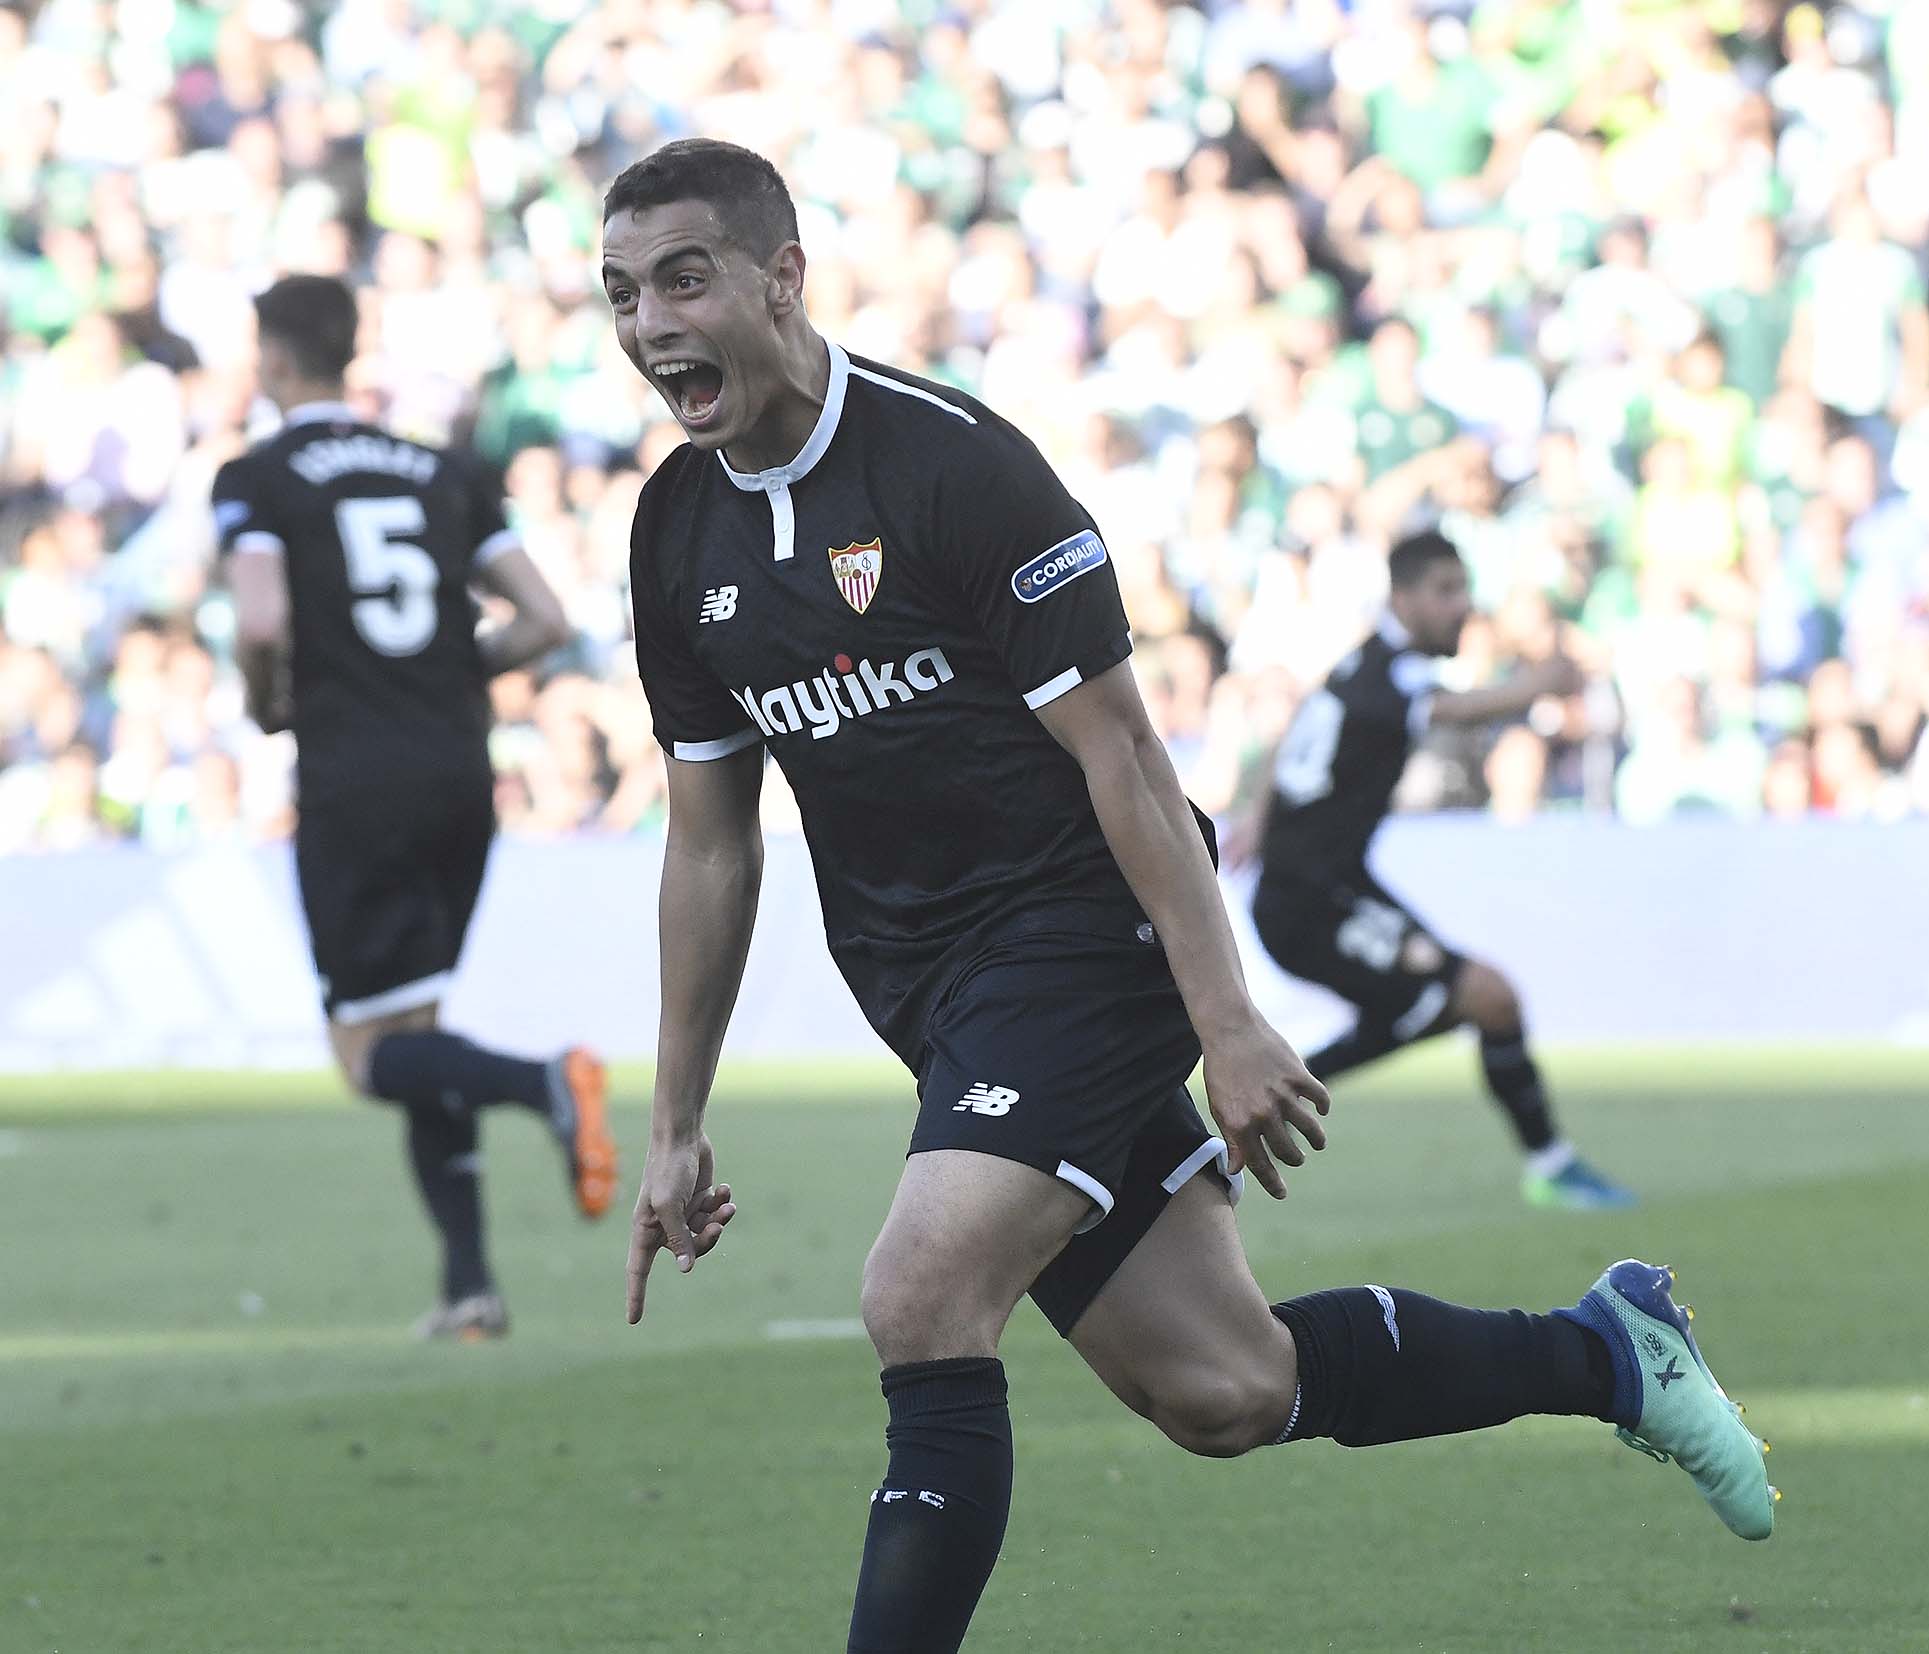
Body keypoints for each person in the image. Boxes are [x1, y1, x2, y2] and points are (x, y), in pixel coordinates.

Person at [603, 139, 1774, 1653]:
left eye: (683, 279)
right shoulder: (671, 532)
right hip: (930, 991)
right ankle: (1612, 1351)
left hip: (1087, 936)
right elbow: (710, 842)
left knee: (920, 1290)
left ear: (782, 276)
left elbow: (1132, 761)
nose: (650, 325)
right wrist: (675, 1120)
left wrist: (1225, 1015)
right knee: (1228, 1387)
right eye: (623, 294)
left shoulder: (956, 466)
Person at [216, 274, 617, 1341]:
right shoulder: (443, 470)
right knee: (418, 1018)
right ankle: (469, 1286)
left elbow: (260, 624)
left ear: (273, 360)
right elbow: (541, 618)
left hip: (355, 776)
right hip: (457, 769)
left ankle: (543, 1081)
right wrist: (443, 679)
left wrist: (269, 705)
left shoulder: (260, 476)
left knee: (368, 1056)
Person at [1233, 529, 1636, 1209]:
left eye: (1465, 590)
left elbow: (1300, 725)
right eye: (1446, 591)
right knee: (1484, 997)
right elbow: (1451, 710)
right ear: (1404, 596)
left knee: (1456, 1006)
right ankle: (1552, 1166)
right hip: (1310, 903)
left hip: (1326, 892)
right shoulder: (1388, 673)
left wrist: (1258, 812)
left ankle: (1262, 1096)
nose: (1462, 607)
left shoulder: (1362, 666)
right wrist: (1538, 684)